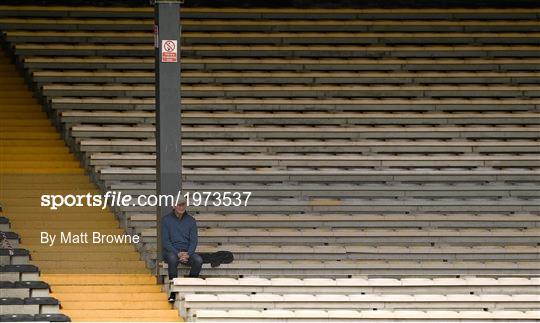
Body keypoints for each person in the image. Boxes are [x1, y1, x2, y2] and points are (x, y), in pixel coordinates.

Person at [161, 200, 202, 302]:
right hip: (172, 251)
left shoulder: (191, 220)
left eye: (183, 204)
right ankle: (173, 292)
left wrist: (188, 254)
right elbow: (165, 241)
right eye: (179, 205)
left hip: (187, 252)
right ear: (173, 205)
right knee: (172, 259)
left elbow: (194, 241)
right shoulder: (166, 220)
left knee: (198, 260)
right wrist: (177, 253)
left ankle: (190, 288)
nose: (181, 207)